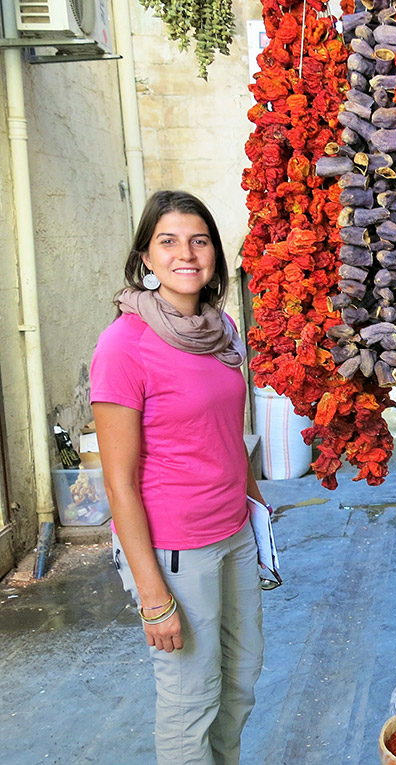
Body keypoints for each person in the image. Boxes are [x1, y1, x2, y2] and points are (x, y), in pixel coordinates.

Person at [91, 190, 266, 764]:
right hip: (176, 548)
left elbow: (228, 433)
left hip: (234, 533)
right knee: (191, 699)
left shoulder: (222, 330)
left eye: (199, 240)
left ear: (214, 252)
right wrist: (152, 596)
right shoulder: (124, 345)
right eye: (168, 241)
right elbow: (117, 482)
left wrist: (257, 513)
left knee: (240, 683)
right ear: (145, 255)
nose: (186, 254)